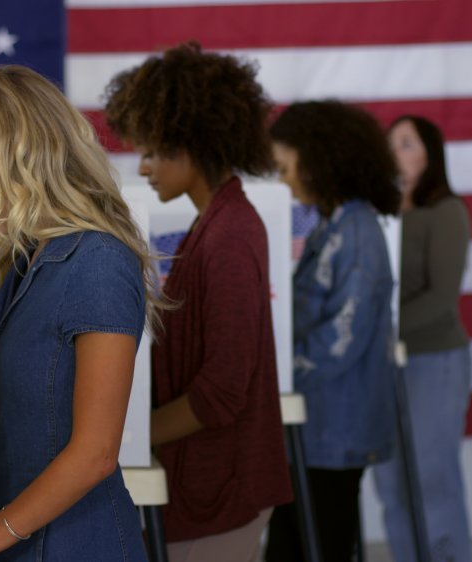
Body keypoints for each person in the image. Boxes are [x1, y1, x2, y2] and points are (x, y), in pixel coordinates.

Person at [0, 65, 159, 562]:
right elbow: (5, 432)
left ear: (14, 158)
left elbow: (95, 454)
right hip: (21, 543)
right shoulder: (24, 261)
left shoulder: (98, 261)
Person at [104, 42, 293, 562]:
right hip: (210, 481)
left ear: (192, 142)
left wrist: (124, 441)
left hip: (222, 486)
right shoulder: (216, 226)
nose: (142, 167)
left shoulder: (229, 234)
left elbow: (224, 389)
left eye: (151, 150)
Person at [265, 100, 400, 562]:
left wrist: (278, 374)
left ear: (319, 159)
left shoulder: (357, 231)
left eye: (285, 167)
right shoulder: (333, 225)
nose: (282, 179)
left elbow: (344, 336)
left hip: (336, 426)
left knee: (316, 542)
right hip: (316, 423)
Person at [372, 115, 472, 562]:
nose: (397, 151)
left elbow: (442, 298)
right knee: (391, 481)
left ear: (430, 154)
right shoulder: (378, 213)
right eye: (391, 143)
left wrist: (377, 332)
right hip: (383, 364)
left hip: (433, 360)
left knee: (433, 477)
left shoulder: (446, 212)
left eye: (408, 143)